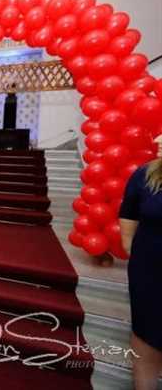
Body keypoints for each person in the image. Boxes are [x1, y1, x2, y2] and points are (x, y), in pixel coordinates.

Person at [119, 133, 162, 390]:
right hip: (149, 270)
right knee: (146, 335)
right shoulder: (145, 175)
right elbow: (129, 215)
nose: (158, 140)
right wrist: (135, 254)